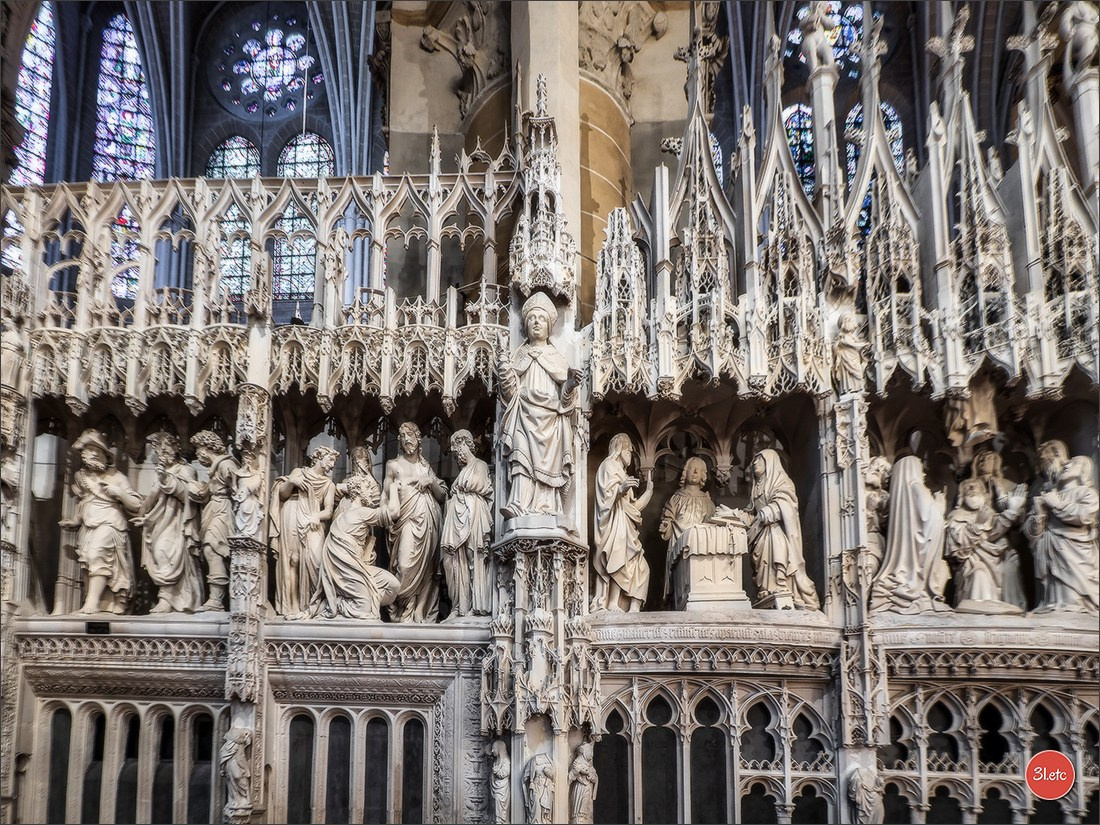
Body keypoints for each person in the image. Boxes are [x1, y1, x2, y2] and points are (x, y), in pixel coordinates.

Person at [499, 291, 581, 524]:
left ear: (549, 325)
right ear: (525, 325)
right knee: (520, 455)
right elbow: (509, 392)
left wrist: (571, 384)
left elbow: (566, 403)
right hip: (523, 416)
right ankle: (519, 504)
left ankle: (547, 507)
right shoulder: (520, 356)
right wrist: (504, 363)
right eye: (532, 318)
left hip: (550, 422)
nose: (536, 321)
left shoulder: (557, 359)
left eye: (541, 318)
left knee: (549, 466)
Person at [62, 430, 143, 614]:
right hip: (89, 525)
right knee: (89, 561)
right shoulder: (81, 477)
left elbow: (137, 504)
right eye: (84, 454)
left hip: (110, 523)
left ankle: (92, 603)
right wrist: (75, 520)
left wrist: (119, 493)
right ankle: (99, 603)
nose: (86, 457)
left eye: (91, 452)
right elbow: (84, 501)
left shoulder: (117, 478)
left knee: (96, 555)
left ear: (102, 455)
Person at [309, 474, 400, 620]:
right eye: (368, 488)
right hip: (346, 570)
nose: (371, 492)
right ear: (358, 491)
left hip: (356, 567)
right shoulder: (360, 513)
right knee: (363, 607)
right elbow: (394, 513)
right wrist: (394, 488)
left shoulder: (345, 516)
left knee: (393, 585)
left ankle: (366, 602)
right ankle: (334, 605)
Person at [132, 433, 203, 613]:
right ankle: (166, 599)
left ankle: (171, 599)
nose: (162, 453)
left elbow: (188, 493)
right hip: (159, 522)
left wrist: (166, 480)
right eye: (158, 450)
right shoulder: (160, 472)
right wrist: (145, 517)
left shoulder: (185, 470)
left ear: (176, 448)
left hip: (178, 522)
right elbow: (151, 499)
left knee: (167, 553)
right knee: (160, 554)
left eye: (166, 448)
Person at [870, 455, 949, 614]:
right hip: (916, 566)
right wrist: (940, 507)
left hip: (902, 563)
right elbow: (929, 518)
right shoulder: (917, 487)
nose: (924, 475)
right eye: (921, 469)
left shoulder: (898, 498)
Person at [383, 422, 447, 622]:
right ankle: (403, 608)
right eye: (401, 436)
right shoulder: (393, 465)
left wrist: (431, 481)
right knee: (404, 564)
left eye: (409, 434)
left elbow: (443, 495)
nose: (405, 439)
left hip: (429, 518)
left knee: (429, 566)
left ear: (418, 438)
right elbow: (384, 496)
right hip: (407, 520)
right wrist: (383, 513)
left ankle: (419, 609)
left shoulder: (425, 465)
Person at [741, 450, 819, 610]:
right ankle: (766, 590)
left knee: (776, 545)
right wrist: (735, 515)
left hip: (775, 530)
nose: (754, 463)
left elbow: (787, 504)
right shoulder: (756, 488)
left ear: (770, 461)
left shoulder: (782, 482)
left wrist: (770, 511)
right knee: (762, 562)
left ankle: (781, 584)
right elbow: (752, 515)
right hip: (760, 534)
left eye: (759, 460)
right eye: (754, 461)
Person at [1025, 451, 1100, 614]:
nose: (1066, 464)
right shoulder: (1049, 495)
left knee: (1073, 594)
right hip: (1051, 549)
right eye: (1066, 463)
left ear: (1083, 471)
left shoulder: (1086, 492)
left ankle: (1076, 606)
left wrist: (1057, 504)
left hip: (1076, 553)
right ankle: (1053, 604)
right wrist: (1039, 514)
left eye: (1073, 463)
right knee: (1055, 590)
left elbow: (1085, 515)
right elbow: (1031, 533)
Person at [269, 445, 338, 616]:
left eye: (335, 462)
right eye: (330, 459)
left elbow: (328, 511)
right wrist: (291, 482)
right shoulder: (299, 472)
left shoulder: (329, 484)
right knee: (292, 559)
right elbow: (282, 495)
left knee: (317, 562)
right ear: (319, 456)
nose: (332, 465)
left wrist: (316, 516)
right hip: (292, 512)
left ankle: (311, 606)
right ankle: (291, 605)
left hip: (312, 521)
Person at [944, 479, 1026, 614]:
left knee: (1011, 565)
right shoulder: (956, 517)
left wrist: (1012, 509)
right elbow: (958, 548)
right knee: (979, 575)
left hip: (996, 563)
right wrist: (977, 526)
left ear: (984, 495)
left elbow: (995, 530)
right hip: (972, 564)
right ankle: (978, 615)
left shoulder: (989, 513)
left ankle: (1004, 610)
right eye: (968, 490)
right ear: (962, 497)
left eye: (976, 488)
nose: (972, 488)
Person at [592, 434, 653, 612]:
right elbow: (604, 498)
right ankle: (612, 603)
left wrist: (648, 492)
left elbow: (633, 509)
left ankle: (633, 610)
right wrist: (621, 488)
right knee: (618, 560)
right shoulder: (608, 465)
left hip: (626, 527)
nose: (631, 456)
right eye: (629, 451)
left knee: (642, 569)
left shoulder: (623, 473)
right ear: (620, 449)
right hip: (614, 526)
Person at [441, 430, 493, 616]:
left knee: (474, 557)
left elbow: (479, 485)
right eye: (454, 454)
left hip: (473, 513)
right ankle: (458, 606)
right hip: (456, 518)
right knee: (451, 560)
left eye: (458, 450)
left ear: (466, 445)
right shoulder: (462, 473)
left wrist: (460, 489)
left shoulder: (480, 465)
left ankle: (475, 606)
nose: (457, 456)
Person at [190, 430, 240, 611]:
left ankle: (216, 600)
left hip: (223, 511)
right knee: (211, 550)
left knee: (214, 549)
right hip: (214, 509)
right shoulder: (215, 469)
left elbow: (239, 489)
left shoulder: (226, 465)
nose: (197, 455)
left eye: (199, 450)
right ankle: (215, 599)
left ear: (208, 447)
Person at [658, 455, 715, 600]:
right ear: (685, 472)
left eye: (699, 469)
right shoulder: (676, 498)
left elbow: (712, 522)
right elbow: (668, 519)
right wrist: (666, 525)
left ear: (703, 475)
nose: (695, 472)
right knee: (680, 576)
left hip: (700, 545)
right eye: (691, 468)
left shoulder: (707, 501)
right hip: (679, 542)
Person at [863, 456, 892, 583]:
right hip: (854, 540)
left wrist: (882, 508)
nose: (877, 469)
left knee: (868, 568)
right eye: (875, 465)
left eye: (882, 469)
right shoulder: (854, 492)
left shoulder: (885, 497)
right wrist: (869, 510)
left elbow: (889, 526)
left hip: (875, 542)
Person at [568, 741, 598, 825]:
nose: (591, 754)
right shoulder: (577, 763)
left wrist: (591, 777)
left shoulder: (590, 765)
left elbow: (595, 778)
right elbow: (569, 778)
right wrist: (576, 772)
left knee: (585, 808)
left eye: (591, 751)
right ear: (583, 752)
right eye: (589, 751)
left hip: (588, 788)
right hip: (579, 788)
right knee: (579, 808)